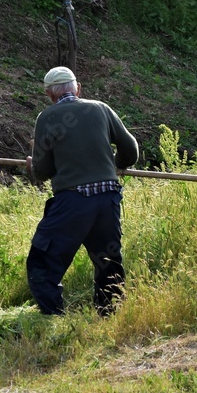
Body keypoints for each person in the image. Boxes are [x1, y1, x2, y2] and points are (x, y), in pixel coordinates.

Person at [25, 66, 139, 316]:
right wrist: (115, 164)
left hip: (73, 203)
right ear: (77, 88)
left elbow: (43, 172)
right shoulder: (101, 109)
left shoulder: (47, 117)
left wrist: (32, 165)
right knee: (108, 263)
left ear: (49, 94)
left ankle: (52, 319)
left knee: (42, 263)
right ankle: (110, 318)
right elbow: (131, 151)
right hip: (107, 199)